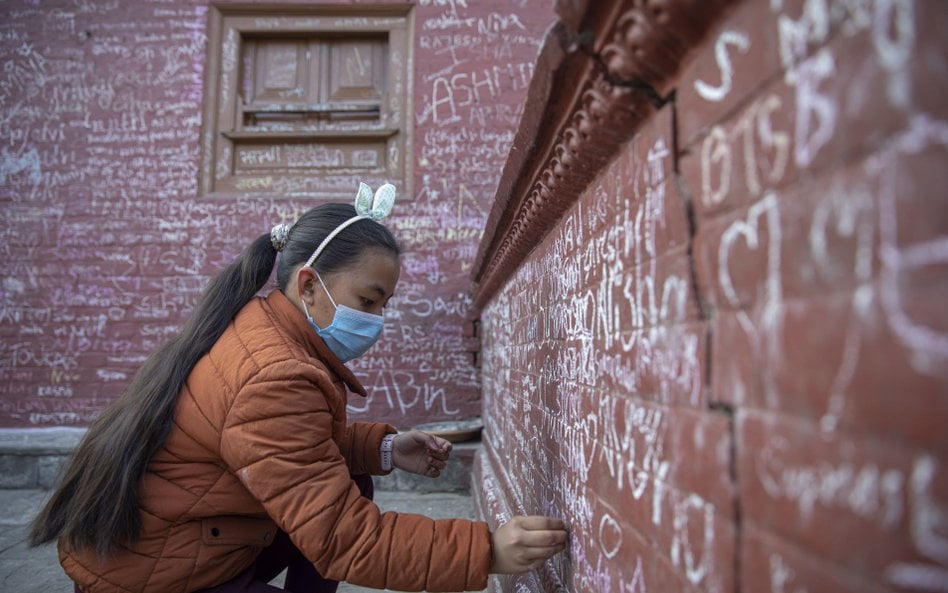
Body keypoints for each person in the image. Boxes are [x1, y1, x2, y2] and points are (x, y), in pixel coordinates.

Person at [29, 183, 567, 593]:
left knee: (352, 479)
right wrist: (486, 551)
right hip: (150, 575)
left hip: (169, 541)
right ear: (308, 285)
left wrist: (381, 447)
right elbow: (342, 537)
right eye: (367, 301)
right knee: (344, 512)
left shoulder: (261, 325)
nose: (377, 320)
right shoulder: (276, 374)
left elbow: (282, 449)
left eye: (384, 305)